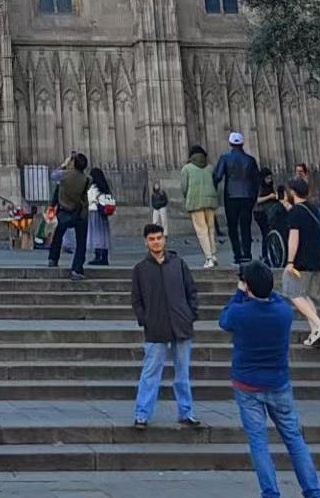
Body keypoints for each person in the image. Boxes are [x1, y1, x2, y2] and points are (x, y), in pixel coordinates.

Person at [219, 261, 320, 498]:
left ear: (248, 287)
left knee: (259, 443)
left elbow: (224, 320)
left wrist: (239, 291)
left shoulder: (239, 312)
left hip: (247, 383)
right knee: (295, 440)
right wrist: (257, 285)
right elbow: (274, 297)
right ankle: (313, 491)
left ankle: (271, 493)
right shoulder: (283, 311)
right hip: (278, 382)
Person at [130, 223, 201, 430]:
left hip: (181, 324)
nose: (156, 242)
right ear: (146, 242)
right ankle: (142, 414)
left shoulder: (179, 263)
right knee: (150, 373)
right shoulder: (140, 269)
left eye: (159, 238)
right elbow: (137, 300)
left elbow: (191, 290)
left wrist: (191, 314)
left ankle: (186, 412)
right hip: (156, 327)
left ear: (164, 239)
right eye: (152, 239)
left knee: (183, 373)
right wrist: (145, 320)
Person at [282, 177, 320, 347]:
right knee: (306, 295)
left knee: (292, 291)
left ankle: (319, 323)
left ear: (293, 192)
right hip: (316, 257)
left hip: (301, 260)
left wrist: (290, 261)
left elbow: (293, 239)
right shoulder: (312, 209)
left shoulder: (295, 212)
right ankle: (315, 330)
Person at [213, 132, 261, 266]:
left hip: (231, 196)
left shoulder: (225, 158)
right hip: (247, 196)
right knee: (246, 225)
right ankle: (247, 253)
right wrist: (254, 196)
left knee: (232, 226)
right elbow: (256, 180)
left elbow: (217, 176)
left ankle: (237, 254)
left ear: (230, 144)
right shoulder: (250, 160)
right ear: (242, 144)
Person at [48, 153, 90, 277]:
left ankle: (53, 259)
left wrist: (64, 165)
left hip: (65, 211)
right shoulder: (87, 179)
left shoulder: (64, 176)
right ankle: (77, 269)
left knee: (58, 236)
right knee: (81, 243)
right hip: (80, 213)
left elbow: (53, 175)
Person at [181, 145, 220, 269]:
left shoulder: (186, 169)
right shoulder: (210, 168)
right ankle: (214, 255)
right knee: (211, 229)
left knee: (201, 230)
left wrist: (188, 196)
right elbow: (215, 183)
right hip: (210, 201)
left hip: (195, 201)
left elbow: (184, 187)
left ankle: (208, 257)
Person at [85, 166, 113, 266]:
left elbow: (88, 200)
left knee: (96, 234)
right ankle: (104, 256)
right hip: (103, 213)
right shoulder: (104, 188)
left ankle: (98, 256)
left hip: (94, 212)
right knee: (103, 234)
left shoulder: (93, 188)